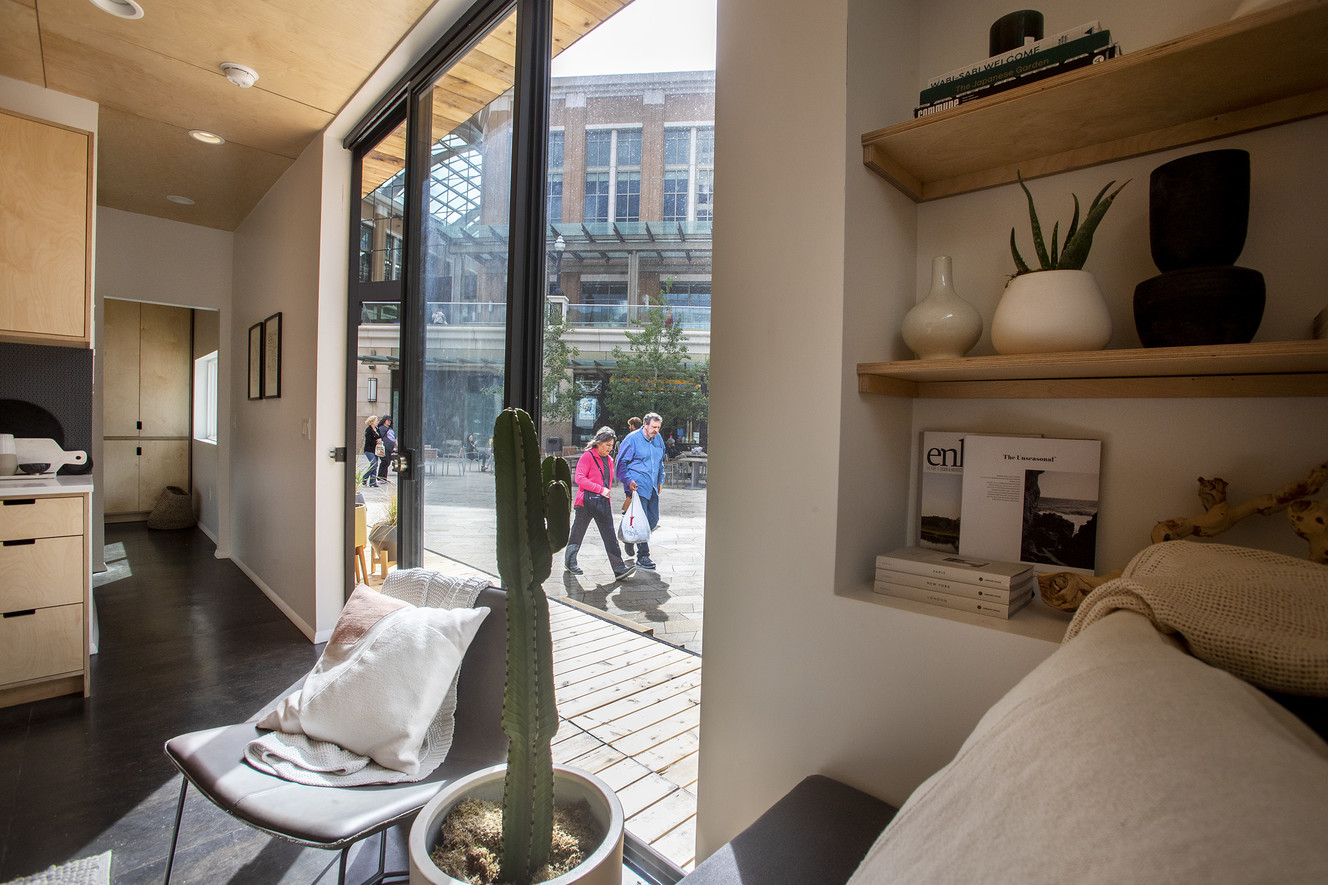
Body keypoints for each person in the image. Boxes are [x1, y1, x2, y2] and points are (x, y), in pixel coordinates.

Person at [565, 428, 635, 581]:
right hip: (585, 502)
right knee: (578, 533)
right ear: (598, 442)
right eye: (607, 445)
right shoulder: (587, 456)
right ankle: (570, 562)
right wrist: (600, 490)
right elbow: (579, 478)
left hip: (603, 503)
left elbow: (607, 483)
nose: (610, 448)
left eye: (611, 445)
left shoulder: (609, 460)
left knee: (609, 535)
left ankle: (619, 568)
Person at [616, 411, 665, 570]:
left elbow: (660, 462)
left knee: (653, 519)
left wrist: (660, 480)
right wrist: (628, 481)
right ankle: (643, 556)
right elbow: (621, 463)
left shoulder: (658, 439)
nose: (656, 430)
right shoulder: (632, 439)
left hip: (652, 486)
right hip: (636, 486)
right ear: (645, 424)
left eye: (658, 427)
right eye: (653, 427)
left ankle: (629, 537)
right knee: (642, 522)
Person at [376, 415, 397, 482]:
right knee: (385, 461)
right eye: (388, 420)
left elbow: (394, 438)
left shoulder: (390, 429)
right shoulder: (381, 428)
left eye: (390, 420)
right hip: (384, 448)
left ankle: (383, 477)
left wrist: (396, 446)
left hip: (390, 449)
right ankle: (381, 477)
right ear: (384, 420)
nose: (389, 421)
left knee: (387, 462)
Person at [362, 415, 380, 487]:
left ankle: (373, 482)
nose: (377, 422)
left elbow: (380, 436)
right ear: (372, 422)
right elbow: (369, 441)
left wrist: (379, 440)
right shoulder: (368, 430)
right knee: (373, 464)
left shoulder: (376, 429)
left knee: (375, 465)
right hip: (369, 450)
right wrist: (376, 441)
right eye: (376, 421)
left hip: (376, 450)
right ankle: (364, 478)